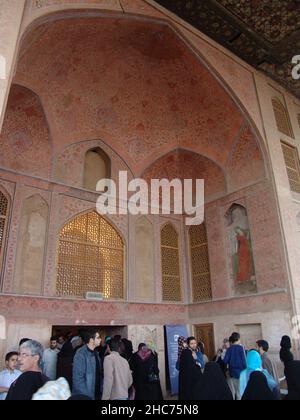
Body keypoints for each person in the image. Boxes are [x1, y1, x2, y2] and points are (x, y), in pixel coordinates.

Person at [72, 329, 103, 400]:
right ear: (91, 340)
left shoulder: (96, 353)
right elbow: (78, 380)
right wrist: (87, 397)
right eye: (98, 338)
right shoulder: (80, 354)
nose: (100, 339)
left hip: (97, 394)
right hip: (86, 396)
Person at [223, 332, 247, 400]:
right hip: (240, 373)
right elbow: (244, 361)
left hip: (231, 373)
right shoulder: (241, 348)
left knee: (232, 392)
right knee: (239, 393)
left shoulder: (229, 349)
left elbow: (225, 361)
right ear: (238, 339)